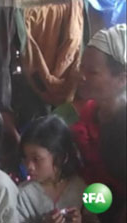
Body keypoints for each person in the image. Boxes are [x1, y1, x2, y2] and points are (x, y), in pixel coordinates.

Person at [72, 24, 126, 222]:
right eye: (81, 67)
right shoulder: (90, 110)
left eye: (92, 72)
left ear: (121, 79)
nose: (81, 76)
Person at [17, 115, 99, 223]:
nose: (29, 166)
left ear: (60, 158)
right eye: (25, 158)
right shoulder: (23, 194)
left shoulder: (81, 187)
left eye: (36, 159)